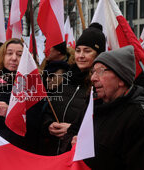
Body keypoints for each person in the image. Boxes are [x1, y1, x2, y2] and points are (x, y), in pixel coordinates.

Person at [74, 45, 144, 170]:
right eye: (93, 72)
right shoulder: (96, 104)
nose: (93, 78)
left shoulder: (138, 116)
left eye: (100, 71)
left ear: (121, 79)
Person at [41, 22, 106, 155]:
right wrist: (48, 124)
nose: (81, 55)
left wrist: (73, 129)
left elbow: (102, 123)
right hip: (53, 151)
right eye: (78, 50)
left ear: (98, 55)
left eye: (87, 51)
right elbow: (48, 108)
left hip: (77, 153)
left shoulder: (101, 85)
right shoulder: (65, 78)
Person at [0, 38, 44, 154]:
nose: (14, 58)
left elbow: (36, 123)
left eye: (19, 55)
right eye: (9, 53)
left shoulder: (32, 85)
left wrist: (11, 113)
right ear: (2, 56)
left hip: (12, 149)